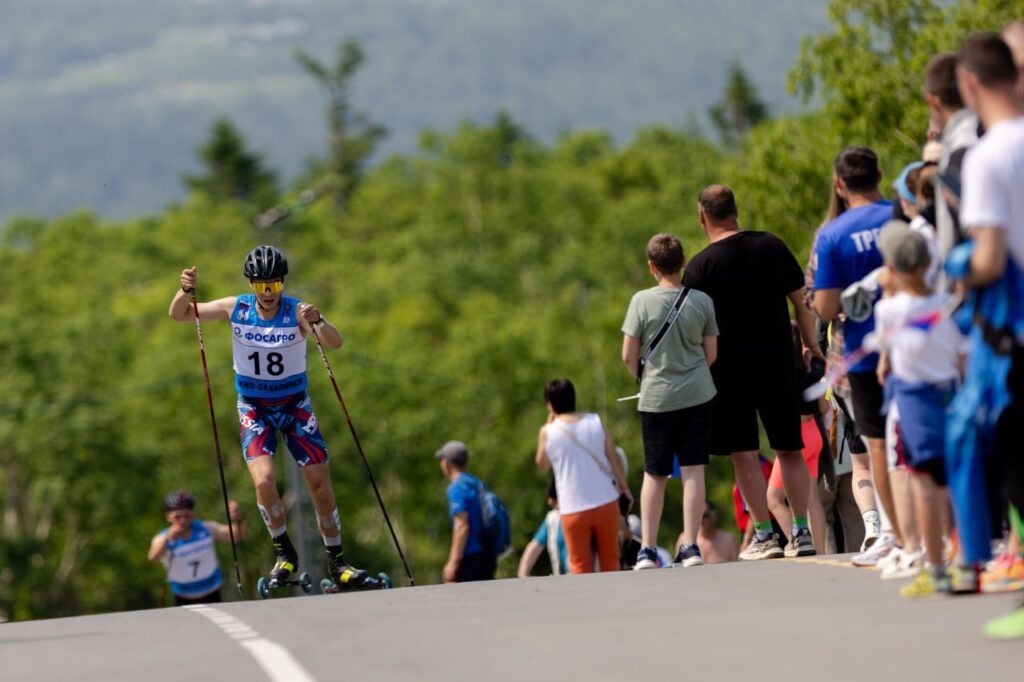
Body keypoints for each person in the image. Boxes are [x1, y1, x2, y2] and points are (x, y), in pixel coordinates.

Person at [168, 245, 372, 589]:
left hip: (295, 407)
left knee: (320, 488)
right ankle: (284, 552)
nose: (268, 294)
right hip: (255, 408)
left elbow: (335, 343)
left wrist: (319, 321)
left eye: (274, 286)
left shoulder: (296, 312)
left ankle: (337, 562)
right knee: (263, 482)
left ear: (282, 284)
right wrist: (184, 290)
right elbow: (180, 314)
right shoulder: (236, 307)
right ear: (251, 284)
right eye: (261, 285)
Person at [683, 185, 822, 560]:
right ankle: (802, 532)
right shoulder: (771, 245)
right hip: (777, 362)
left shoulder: (699, 267)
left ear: (702, 217)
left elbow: (691, 328)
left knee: (743, 453)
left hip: (727, 371)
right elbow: (802, 301)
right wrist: (810, 343)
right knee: (789, 448)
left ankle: (764, 535)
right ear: (736, 210)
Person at [954, 32, 1024, 638]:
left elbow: (992, 257)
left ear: (968, 85)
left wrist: (959, 269)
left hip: (1014, 333)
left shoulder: (988, 156)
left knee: (1012, 462)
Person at [812, 148, 903, 565]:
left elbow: (826, 307)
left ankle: (894, 534)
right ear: (879, 175)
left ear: (839, 185)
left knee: (877, 445)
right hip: (912, 339)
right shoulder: (901, 216)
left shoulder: (832, 235)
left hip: (862, 355)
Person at [871, 223, 964, 597]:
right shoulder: (949, 305)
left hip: (914, 402)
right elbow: (961, 357)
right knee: (957, 479)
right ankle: (966, 555)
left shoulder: (888, 310)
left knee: (925, 485)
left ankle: (936, 565)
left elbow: (884, 365)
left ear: (890, 268)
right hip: (951, 395)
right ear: (928, 262)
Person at [621, 232, 718, 569]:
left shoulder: (640, 301)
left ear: (651, 266)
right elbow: (712, 353)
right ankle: (690, 546)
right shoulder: (702, 301)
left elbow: (627, 355)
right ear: (684, 262)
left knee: (655, 473)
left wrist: (643, 377)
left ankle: (647, 548)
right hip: (697, 393)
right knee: (693, 469)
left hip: (656, 396)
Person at [535, 379, 632, 574]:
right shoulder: (595, 422)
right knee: (611, 562)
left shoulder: (548, 432)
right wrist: (625, 488)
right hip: (606, 502)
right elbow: (613, 458)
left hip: (573, 507)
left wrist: (548, 422)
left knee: (579, 567)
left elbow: (542, 464)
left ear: (550, 404)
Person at [922, 52, 978, 291]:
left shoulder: (958, 153)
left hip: (979, 300)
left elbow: (959, 237)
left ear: (933, 101)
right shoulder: (992, 132)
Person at [148, 490, 244, 606]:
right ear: (168, 517)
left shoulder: (206, 528)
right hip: (182, 596)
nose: (183, 520)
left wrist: (238, 520)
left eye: (187, 516)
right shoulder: (162, 538)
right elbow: (153, 559)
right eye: (178, 517)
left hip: (212, 592)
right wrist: (167, 539)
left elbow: (237, 536)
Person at [435, 440, 497, 583]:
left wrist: (453, 561)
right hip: (488, 553)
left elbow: (462, 525)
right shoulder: (477, 483)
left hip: (470, 556)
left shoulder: (457, 488)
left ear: (446, 463)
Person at [518, 478, 569, 577]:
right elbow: (534, 548)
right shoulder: (552, 520)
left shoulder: (585, 515)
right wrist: (523, 574)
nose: (550, 503)